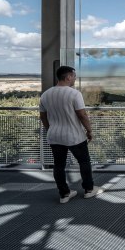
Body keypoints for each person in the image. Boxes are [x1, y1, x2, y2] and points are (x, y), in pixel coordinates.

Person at [39, 65, 102, 203]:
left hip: (54, 135)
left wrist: (51, 128)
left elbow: (43, 116)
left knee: (59, 165)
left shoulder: (45, 94)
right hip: (74, 135)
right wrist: (89, 130)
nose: (75, 78)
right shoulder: (74, 94)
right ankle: (89, 190)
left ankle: (64, 194)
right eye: (74, 76)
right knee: (84, 161)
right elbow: (82, 114)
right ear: (68, 77)